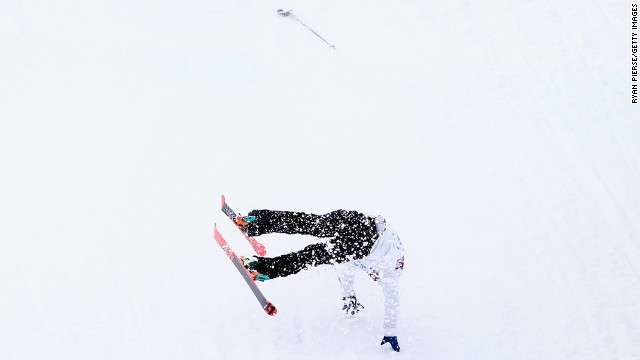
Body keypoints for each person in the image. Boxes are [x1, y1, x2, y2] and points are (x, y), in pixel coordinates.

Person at [235, 208, 405, 352]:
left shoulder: (386, 254)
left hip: (361, 221)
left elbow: (347, 267)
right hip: (364, 241)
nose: (373, 276)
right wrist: (391, 331)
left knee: (310, 224)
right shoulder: (390, 274)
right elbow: (392, 299)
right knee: (309, 256)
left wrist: (349, 295)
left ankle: (256, 222)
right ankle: (260, 268)